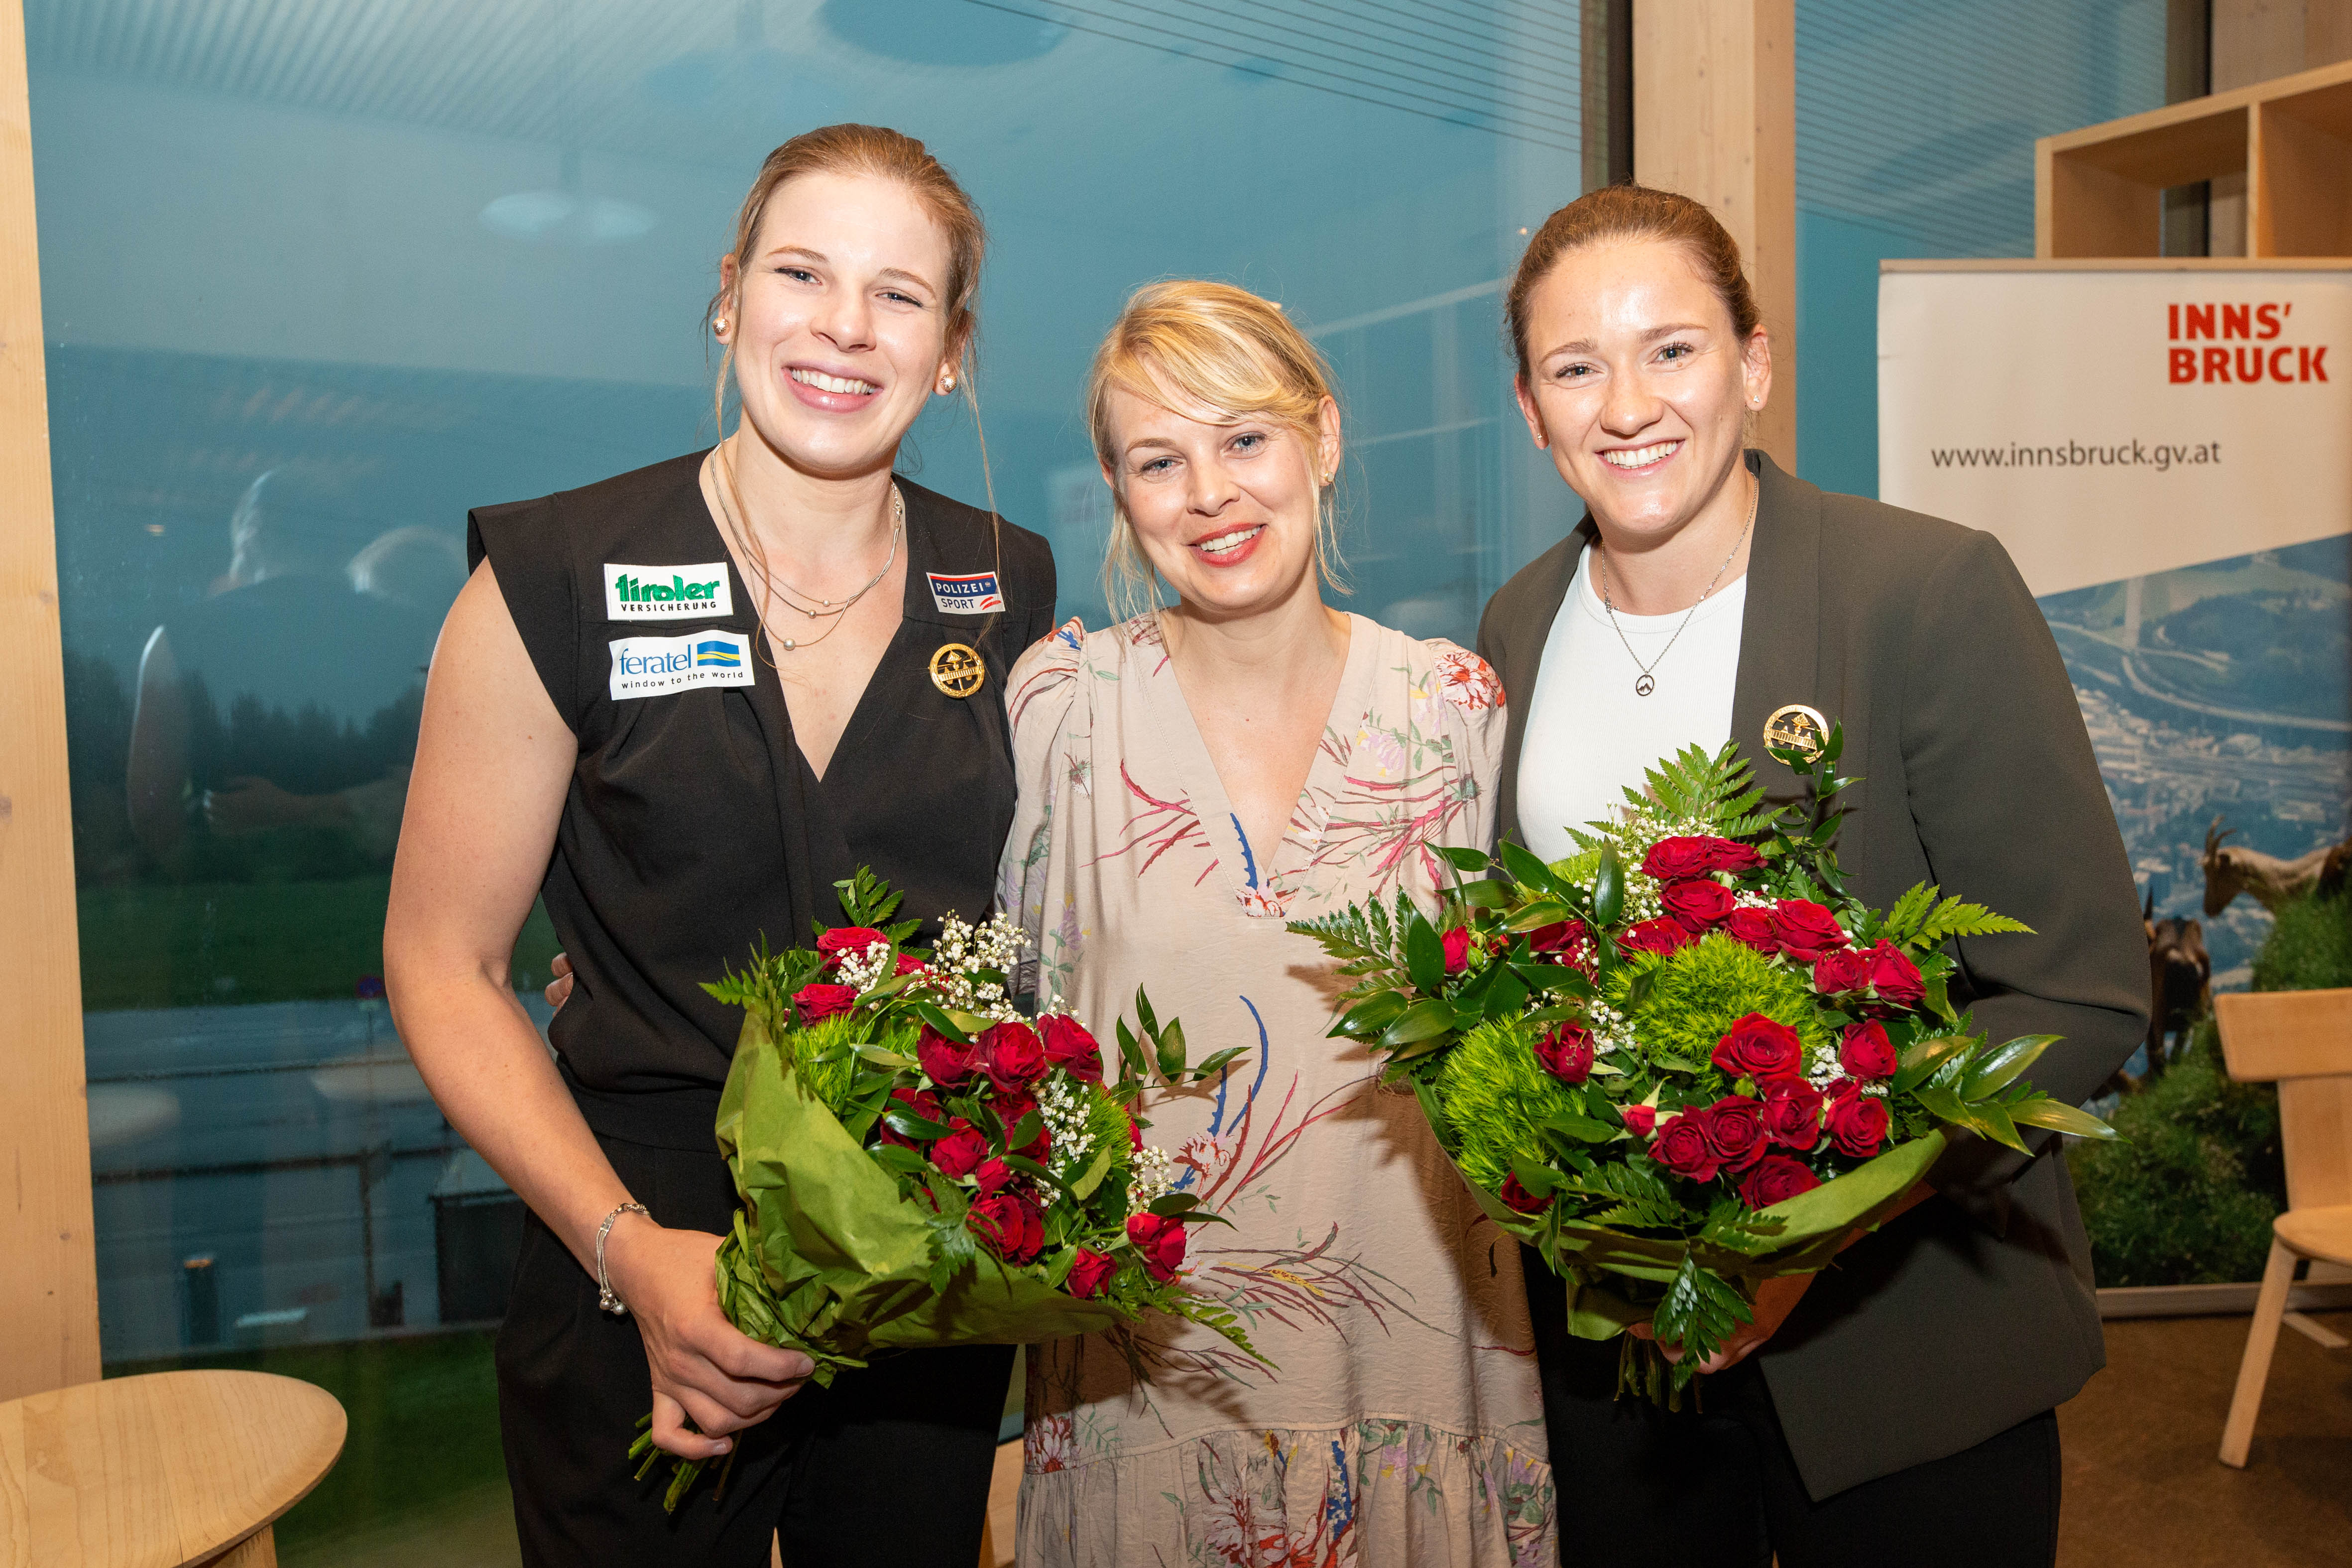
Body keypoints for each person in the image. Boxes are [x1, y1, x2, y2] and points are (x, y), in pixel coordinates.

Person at [385, 125, 1054, 1566]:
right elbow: (441, 963)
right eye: (802, 272)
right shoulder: (556, 577)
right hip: (630, 1232)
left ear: (950, 349)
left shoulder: (1005, 581)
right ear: (730, 294)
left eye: (898, 294)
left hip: (915, 1250)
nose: (841, 326)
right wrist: (634, 1255)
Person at [1476, 185, 2148, 1567]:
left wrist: (1809, 1232)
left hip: (1906, 1342)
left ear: (1755, 362)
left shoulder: (1923, 592)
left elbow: (2079, 992)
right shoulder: (1517, 624)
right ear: (1532, 412)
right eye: (1574, 367)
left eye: (1670, 348)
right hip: (1630, 1362)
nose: (1626, 405)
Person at [1001, 281, 1555, 1567]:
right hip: (1146, 1390)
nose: (1209, 493)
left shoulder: (1455, 708)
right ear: (1116, 489)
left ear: (1323, 435)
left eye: (1243, 438)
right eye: (1160, 459)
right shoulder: (1060, 707)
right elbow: (1008, 1031)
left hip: (1424, 1368)